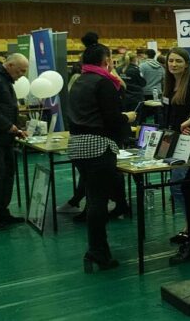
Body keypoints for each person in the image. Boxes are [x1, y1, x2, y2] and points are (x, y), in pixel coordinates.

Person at [65, 41, 136, 271]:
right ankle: (98, 251)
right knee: (97, 202)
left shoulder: (78, 81)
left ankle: (96, 250)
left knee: (93, 197)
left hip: (77, 146)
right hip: (98, 146)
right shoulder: (103, 83)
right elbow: (112, 118)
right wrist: (128, 118)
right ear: (106, 60)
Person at [161, 48, 190, 265]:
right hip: (171, 139)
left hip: (188, 142)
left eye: (178, 61)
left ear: (186, 64)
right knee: (178, 186)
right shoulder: (168, 83)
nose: (173, 64)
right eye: (171, 61)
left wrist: (189, 126)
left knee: (181, 185)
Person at [0, 53, 29, 231]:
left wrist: (17, 128)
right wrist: (8, 126)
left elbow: (5, 107)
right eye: (20, 71)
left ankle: (2, 212)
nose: (22, 75)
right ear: (10, 65)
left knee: (7, 176)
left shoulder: (4, 79)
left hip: (4, 139)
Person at [138, 49, 163, 125]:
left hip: (145, 93)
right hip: (157, 92)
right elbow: (164, 78)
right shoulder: (160, 66)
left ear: (146, 55)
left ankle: (143, 129)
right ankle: (158, 129)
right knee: (157, 113)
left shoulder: (142, 66)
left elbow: (139, 78)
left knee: (143, 114)